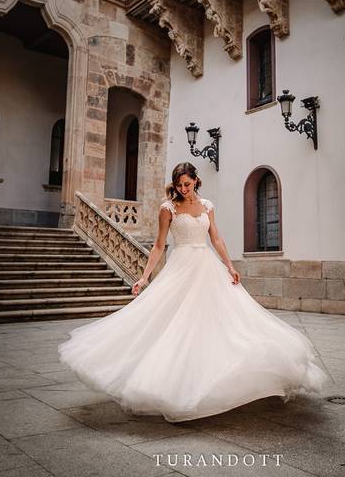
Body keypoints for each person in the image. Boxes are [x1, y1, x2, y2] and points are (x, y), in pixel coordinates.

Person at [56, 162, 330, 422]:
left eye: (187, 184)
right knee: (175, 324)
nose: (184, 189)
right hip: (181, 268)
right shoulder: (168, 208)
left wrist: (229, 266)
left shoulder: (207, 206)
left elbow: (216, 238)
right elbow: (159, 246)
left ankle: (217, 378)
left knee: (224, 322)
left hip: (207, 266)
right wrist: (143, 277)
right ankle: (172, 382)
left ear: (196, 180)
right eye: (179, 185)